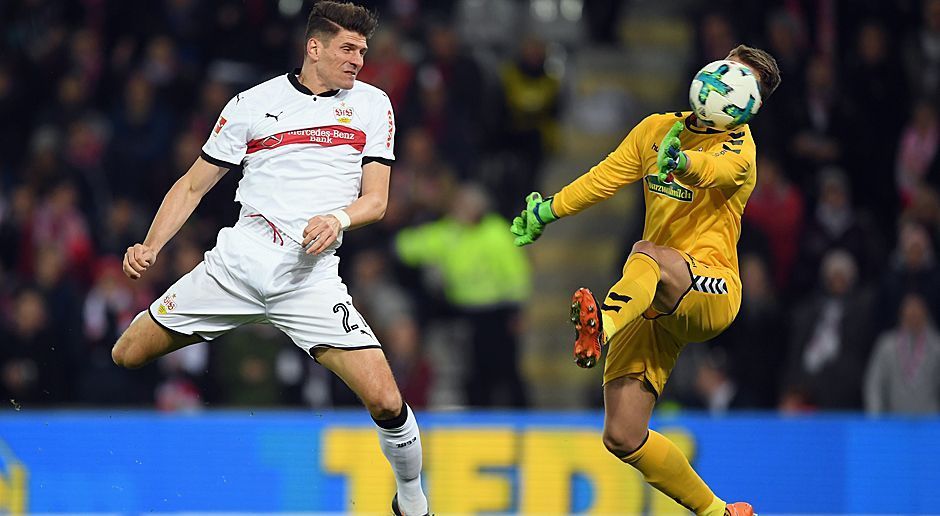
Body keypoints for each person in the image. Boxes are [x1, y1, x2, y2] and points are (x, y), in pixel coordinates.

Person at [110, 3, 429, 514]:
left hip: (309, 281)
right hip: (235, 268)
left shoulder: (372, 105)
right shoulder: (251, 104)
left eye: (363, 51)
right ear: (314, 47)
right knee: (125, 353)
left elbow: (377, 200)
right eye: (348, 48)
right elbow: (193, 184)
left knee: (388, 400)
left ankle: (412, 500)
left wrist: (338, 220)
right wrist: (151, 245)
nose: (358, 60)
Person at [510, 45, 781, 516]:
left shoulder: (741, 147)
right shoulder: (656, 129)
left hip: (710, 290)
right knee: (622, 434)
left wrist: (682, 166)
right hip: (652, 300)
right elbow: (604, 178)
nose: (730, 81)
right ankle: (720, 512)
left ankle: (604, 326)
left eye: (746, 80)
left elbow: (713, 170)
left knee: (645, 254)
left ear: (753, 102)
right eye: (731, 69)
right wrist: (546, 211)